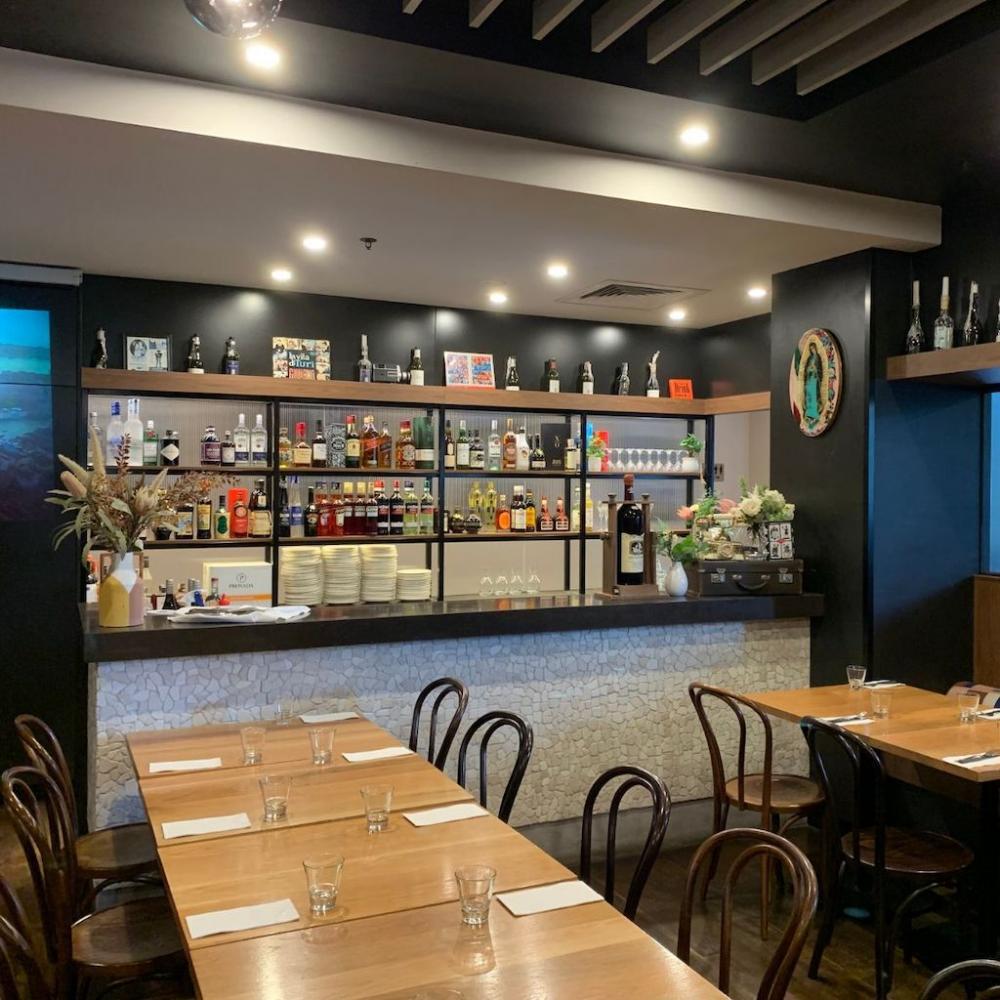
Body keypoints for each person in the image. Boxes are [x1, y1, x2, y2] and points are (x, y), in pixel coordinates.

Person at [802, 341, 822, 430]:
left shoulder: (818, 358)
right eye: (811, 349)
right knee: (809, 396)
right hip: (809, 379)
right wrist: (809, 370)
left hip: (815, 379)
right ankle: (809, 414)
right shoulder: (809, 358)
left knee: (814, 396)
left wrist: (815, 370)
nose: (812, 350)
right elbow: (806, 370)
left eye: (813, 348)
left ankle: (814, 414)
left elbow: (819, 369)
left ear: (815, 348)